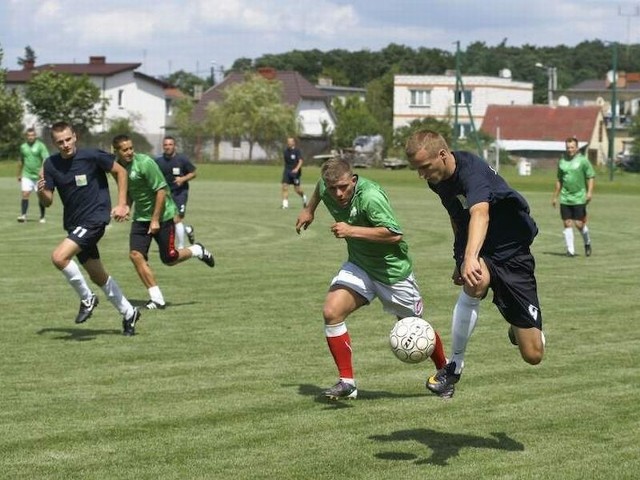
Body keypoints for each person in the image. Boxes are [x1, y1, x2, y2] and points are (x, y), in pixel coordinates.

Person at [404, 129, 545, 397]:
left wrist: (470, 257)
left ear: (443, 155)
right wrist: (461, 257)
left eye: (424, 166)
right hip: (484, 249)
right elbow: (458, 215)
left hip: (512, 251)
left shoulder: (472, 172)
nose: (421, 174)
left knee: (533, 355)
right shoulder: (437, 179)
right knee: (475, 280)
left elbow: (480, 213)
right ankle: (454, 366)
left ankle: (519, 329)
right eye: (417, 169)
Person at [295, 158, 449, 400]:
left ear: (353, 180)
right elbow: (319, 187)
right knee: (331, 312)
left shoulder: (370, 197)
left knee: (416, 326)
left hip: (392, 272)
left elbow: (394, 234)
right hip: (360, 265)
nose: (338, 193)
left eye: (344, 187)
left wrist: (350, 230)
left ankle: (445, 371)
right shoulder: (328, 186)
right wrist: (309, 209)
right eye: (333, 188)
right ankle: (347, 382)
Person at [37, 122, 141, 336]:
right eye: (60, 142)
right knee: (97, 275)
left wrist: (122, 204)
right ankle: (129, 312)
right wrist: (41, 192)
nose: (65, 145)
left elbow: (120, 172)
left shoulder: (92, 156)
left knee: (59, 257)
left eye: (68, 139)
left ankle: (87, 299)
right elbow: (48, 202)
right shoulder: (51, 165)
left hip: (95, 219)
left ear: (74, 136)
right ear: (54, 143)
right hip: (74, 224)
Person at [112, 135, 215, 310]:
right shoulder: (118, 168)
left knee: (170, 258)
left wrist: (155, 220)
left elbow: (161, 190)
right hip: (141, 218)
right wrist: (126, 207)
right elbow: (128, 192)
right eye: (125, 150)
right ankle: (157, 298)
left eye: (131, 148)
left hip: (163, 215)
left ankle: (197, 250)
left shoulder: (145, 163)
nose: (129, 152)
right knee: (136, 255)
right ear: (116, 151)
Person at [552, 136, 595, 257]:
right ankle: (570, 250)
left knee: (579, 224)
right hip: (565, 197)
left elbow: (590, 176)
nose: (570, 149)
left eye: (572, 147)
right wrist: (555, 196)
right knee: (567, 223)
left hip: (579, 197)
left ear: (577, 148)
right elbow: (559, 179)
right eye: (568, 147)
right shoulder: (562, 161)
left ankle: (587, 242)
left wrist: (589, 192)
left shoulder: (583, 161)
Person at [155, 136, 196, 249]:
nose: (167, 147)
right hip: (165, 194)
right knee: (167, 219)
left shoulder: (182, 159)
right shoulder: (158, 161)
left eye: (170, 144)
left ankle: (181, 247)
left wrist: (182, 179)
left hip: (180, 193)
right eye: (165, 145)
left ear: (175, 146)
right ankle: (187, 229)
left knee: (177, 218)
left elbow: (193, 173)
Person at [17, 127, 49, 223]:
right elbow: (21, 160)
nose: (30, 137)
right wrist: (19, 174)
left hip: (38, 176)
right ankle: (23, 215)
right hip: (26, 174)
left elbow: (45, 158)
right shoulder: (23, 147)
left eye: (32, 135)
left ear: (35, 136)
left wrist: (42, 170)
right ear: (26, 136)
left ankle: (42, 216)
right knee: (25, 194)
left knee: (40, 196)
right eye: (29, 135)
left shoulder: (40, 146)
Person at [281, 137, 308, 209]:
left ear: (293, 142)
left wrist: (296, 169)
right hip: (287, 171)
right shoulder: (285, 151)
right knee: (284, 186)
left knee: (297, 189)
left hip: (295, 172)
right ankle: (285, 204)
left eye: (290, 142)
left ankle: (304, 196)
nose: (289, 143)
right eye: (288, 142)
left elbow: (300, 161)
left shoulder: (297, 151)